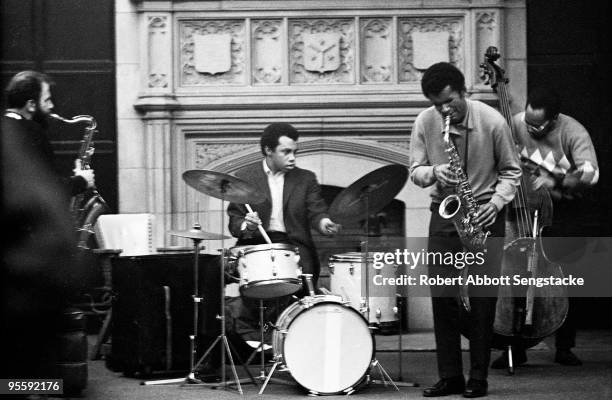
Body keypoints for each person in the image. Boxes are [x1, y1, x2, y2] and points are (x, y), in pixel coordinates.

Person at [409, 62, 521, 398]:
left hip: (485, 212)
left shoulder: (493, 121)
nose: (443, 110)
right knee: (442, 297)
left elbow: (512, 172)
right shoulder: (424, 121)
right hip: (445, 211)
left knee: (482, 300)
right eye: (436, 104)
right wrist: (433, 172)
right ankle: (450, 377)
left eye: (449, 102)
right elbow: (414, 170)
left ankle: (478, 379)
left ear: (464, 92)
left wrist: (496, 204)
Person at [491, 86, 599, 369]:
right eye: (527, 123)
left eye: (536, 125)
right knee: (515, 274)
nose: (530, 128)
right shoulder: (516, 123)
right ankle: (515, 348)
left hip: (560, 210)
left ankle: (564, 346)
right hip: (522, 210)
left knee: (563, 277)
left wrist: (558, 181)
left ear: (553, 120)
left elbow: (591, 173)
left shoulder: (573, 131)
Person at [2, 70, 95, 197]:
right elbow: (47, 190)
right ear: (31, 105)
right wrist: (82, 181)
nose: (51, 105)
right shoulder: (32, 131)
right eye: (47, 100)